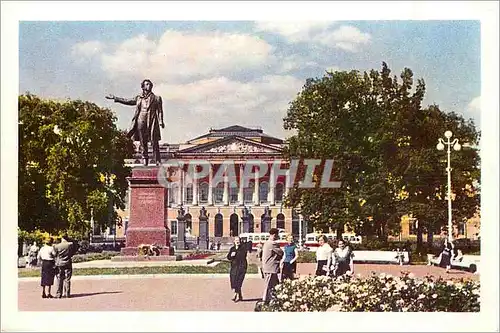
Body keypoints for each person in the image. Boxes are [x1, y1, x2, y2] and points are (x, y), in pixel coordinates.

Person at [106, 79, 165, 166]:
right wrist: (116, 98)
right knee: (143, 142)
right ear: (143, 87)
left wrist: (161, 121)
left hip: (152, 121)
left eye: (150, 84)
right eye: (147, 84)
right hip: (141, 120)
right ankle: (145, 159)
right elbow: (127, 101)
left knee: (154, 141)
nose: (149, 86)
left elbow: (160, 111)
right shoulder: (138, 98)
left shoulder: (157, 98)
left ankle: (157, 160)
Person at [261, 228, 284, 304]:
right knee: (269, 284)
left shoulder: (266, 243)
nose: (278, 236)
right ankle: (265, 299)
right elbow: (281, 252)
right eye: (277, 235)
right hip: (271, 267)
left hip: (268, 267)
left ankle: (273, 298)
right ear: (274, 235)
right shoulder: (272, 243)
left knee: (274, 284)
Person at [226, 237, 251, 302]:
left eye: (238, 240)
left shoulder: (243, 248)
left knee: (239, 281)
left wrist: (236, 253)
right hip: (234, 268)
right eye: (236, 240)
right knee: (234, 281)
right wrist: (231, 255)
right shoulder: (232, 249)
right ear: (234, 241)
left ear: (240, 241)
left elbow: (243, 256)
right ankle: (240, 295)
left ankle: (235, 294)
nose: (237, 241)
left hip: (241, 267)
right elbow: (228, 257)